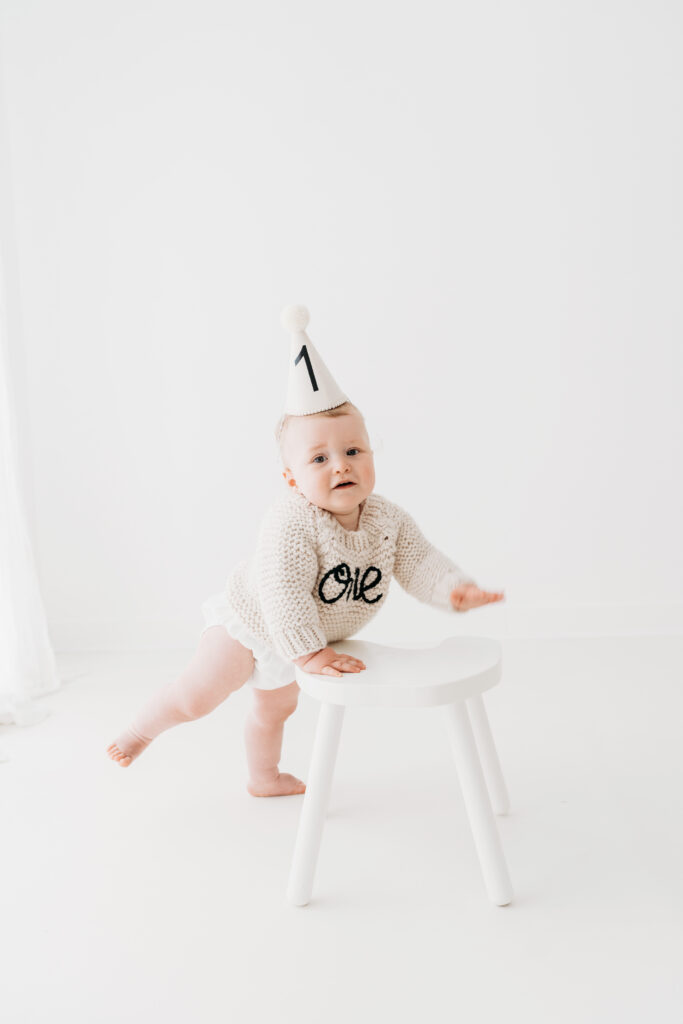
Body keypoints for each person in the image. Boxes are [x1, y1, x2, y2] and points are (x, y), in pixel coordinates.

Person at [106, 306, 504, 796]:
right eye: (320, 458)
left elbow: (419, 560)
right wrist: (310, 652)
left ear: (371, 454)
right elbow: (282, 586)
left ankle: (263, 777)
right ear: (292, 478)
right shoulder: (292, 520)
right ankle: (140, 731)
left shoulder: (387, 519)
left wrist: (453, 589)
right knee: (198, 696)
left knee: (274, 711)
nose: (341, 466)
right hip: (253, 624)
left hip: (304, 641)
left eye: (353, 451)